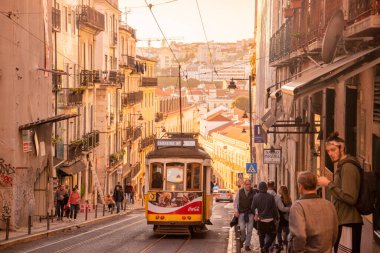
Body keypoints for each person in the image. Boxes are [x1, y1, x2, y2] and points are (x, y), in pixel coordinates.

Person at [317, 132, 363, 253]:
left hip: (349, 223)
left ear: (341, 147)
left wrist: (328, 184)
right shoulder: (342, 166)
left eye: (332, 149)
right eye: (328, 151)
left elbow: (350, 197)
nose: (330, 154)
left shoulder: (348, 167)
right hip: (343, 221)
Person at [290, 171, 338, 252]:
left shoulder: (297, 206)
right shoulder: (329, 205)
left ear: (300, 186)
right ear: (315, 186)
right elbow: (335, 233)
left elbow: (299, 235)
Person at [251, 181, 278, 253]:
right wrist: (277, 217)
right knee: (273, 234)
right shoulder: (271, 197)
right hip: (270, 220)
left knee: (261, 236)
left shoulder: (256, 197)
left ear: (259, 188)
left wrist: (256, 214)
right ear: (266, 188)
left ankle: (263, 248)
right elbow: (274, 209)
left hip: (261, 220)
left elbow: (252, 208)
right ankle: (266, 246)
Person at [233, 179, 255, 251]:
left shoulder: (254, 192)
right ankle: (243, 238)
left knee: (250, 230)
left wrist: (256, 214)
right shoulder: (240, 192)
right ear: (244, 185)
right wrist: (236, 211)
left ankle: (247, 245)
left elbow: (256, 204)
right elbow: (236, 202)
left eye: (249, 184)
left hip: (250, 213)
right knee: (242, 228)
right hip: (241, 213)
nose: (248, 186)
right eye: (247, 184)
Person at [276, 185, 292, 253]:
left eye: (280, 189)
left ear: (282, 191)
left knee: (278, 232)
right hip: (287, 219)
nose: (278, 190)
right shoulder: (289, 199)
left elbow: (281, 208)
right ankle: (287, 247)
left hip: (281, 219)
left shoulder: (280, 199)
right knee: (287, 233)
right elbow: (289, 208)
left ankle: (280, 244)